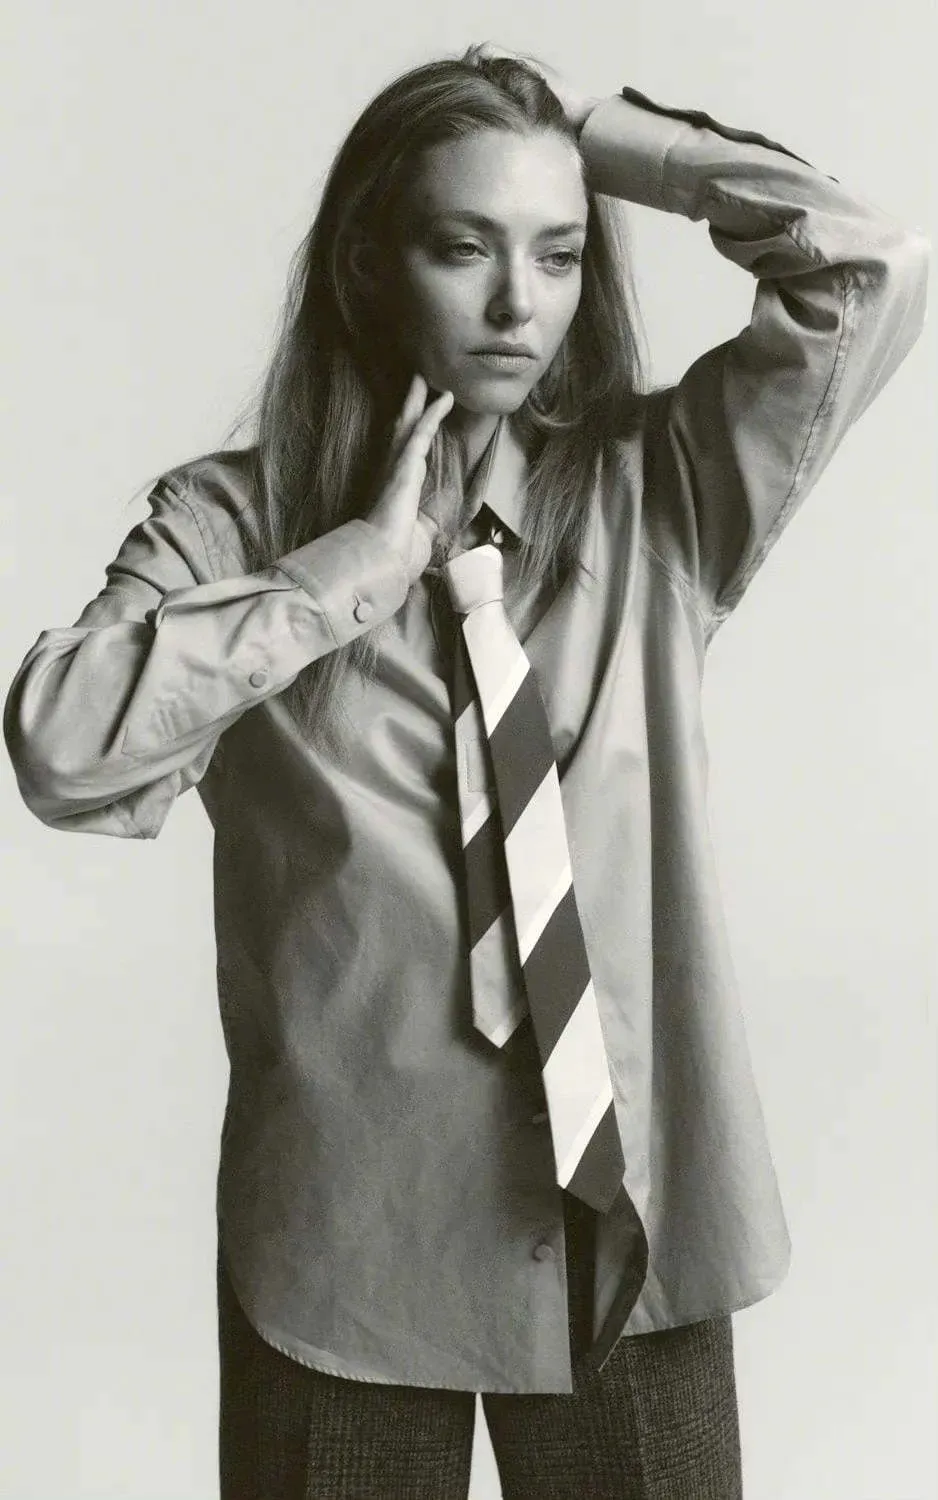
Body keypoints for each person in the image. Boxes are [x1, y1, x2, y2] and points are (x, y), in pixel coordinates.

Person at [4, 39, 928, 1500]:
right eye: (463, 247)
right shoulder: (231, 525)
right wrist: (339, 580)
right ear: (370, 265)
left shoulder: (657, 495)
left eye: (557, 254)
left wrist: (593, 132)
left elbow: (868, 262)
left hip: (628, 1224)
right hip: (347, 1250)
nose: (518, 304)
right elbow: (62, 749)